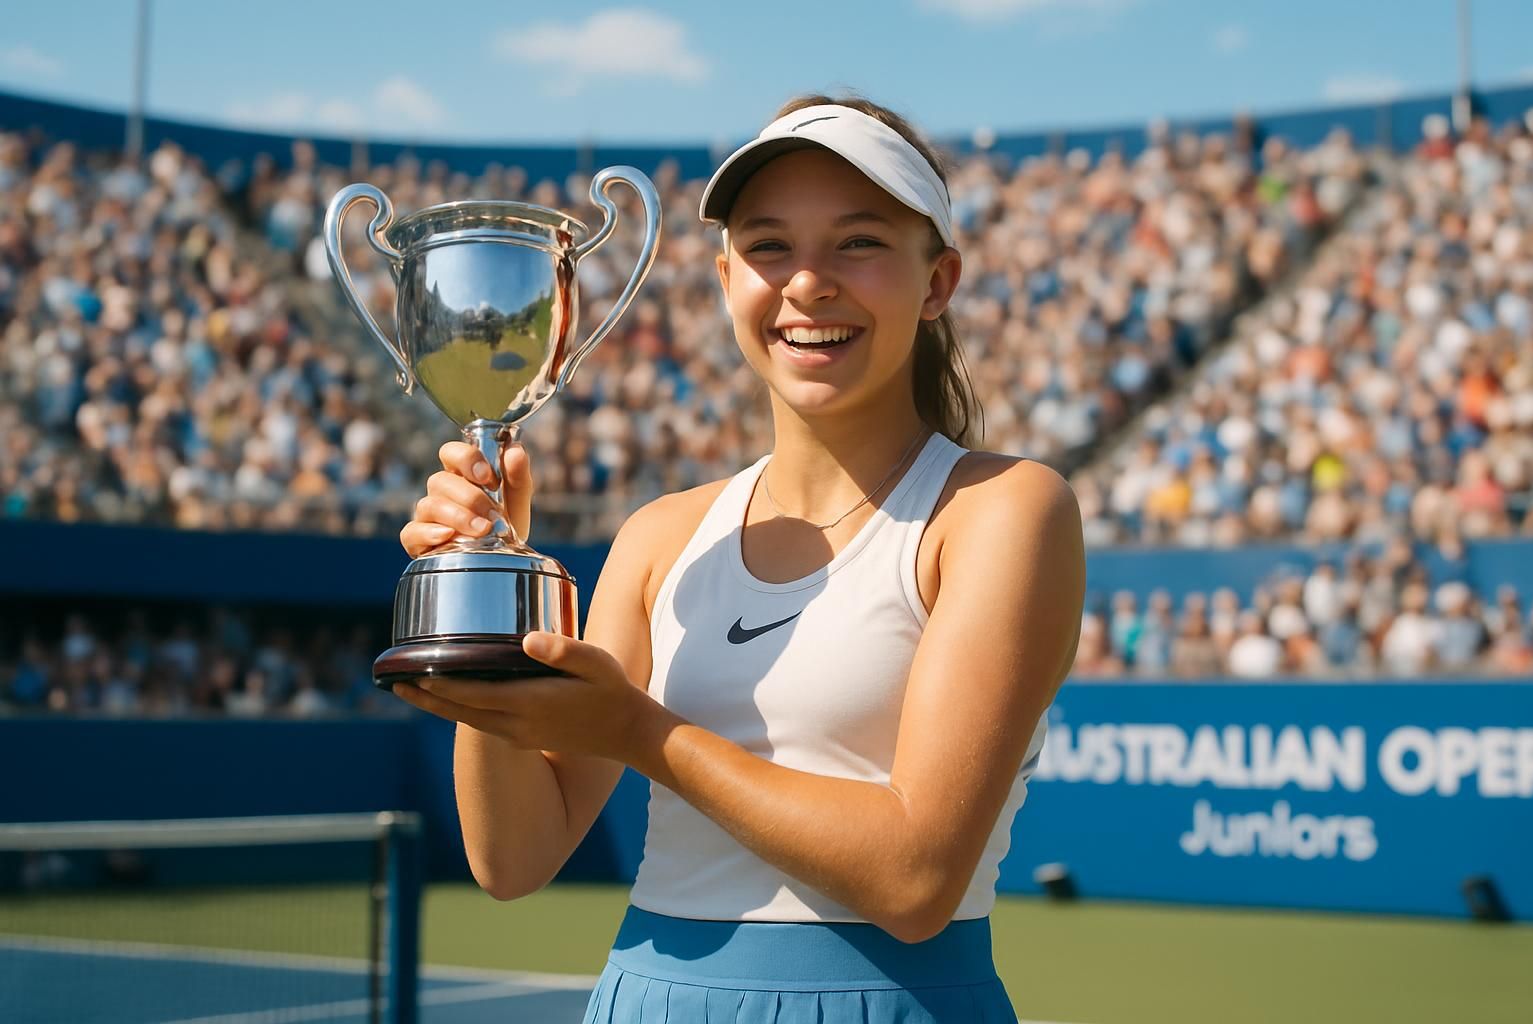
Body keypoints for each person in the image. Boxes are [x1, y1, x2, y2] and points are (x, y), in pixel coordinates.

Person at [395, 95, 1085, 1023]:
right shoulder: (659, 534)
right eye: (768, 246)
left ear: (938, 283)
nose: (807, 283)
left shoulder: (1005, 511)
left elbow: (917, 878)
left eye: (859, 243)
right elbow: (514, 858)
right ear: (726, 279)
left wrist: (644, 734)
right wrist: (490, 584)